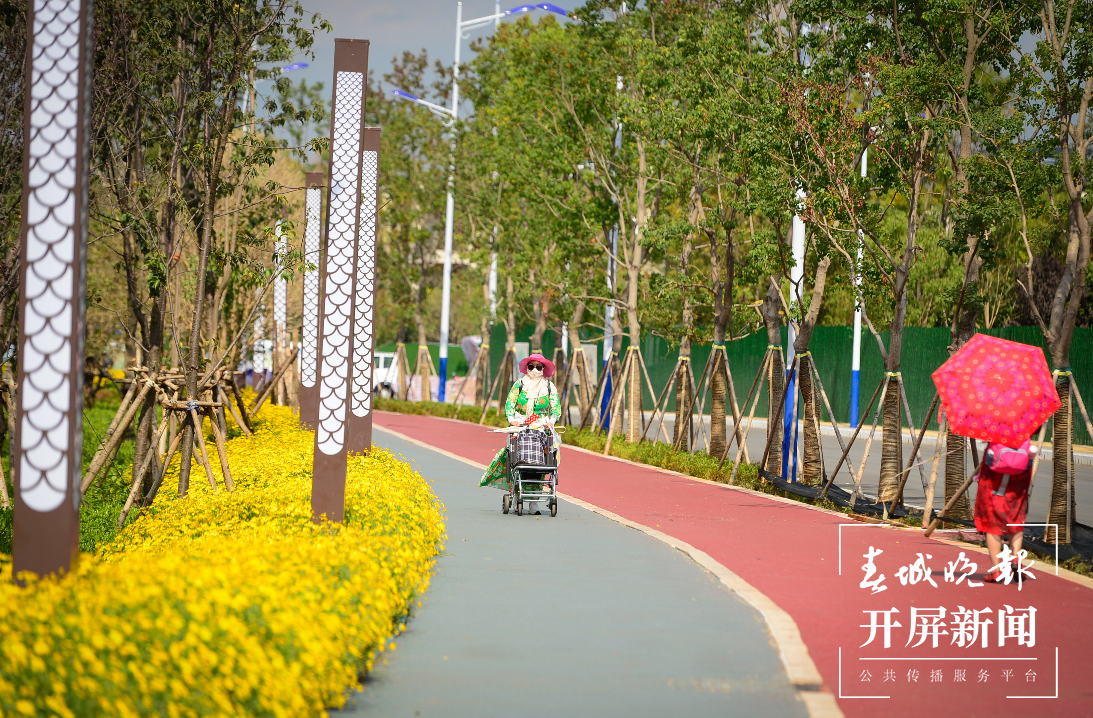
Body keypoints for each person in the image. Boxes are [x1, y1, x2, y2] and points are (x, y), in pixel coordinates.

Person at [479, 353, 561, 490]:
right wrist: (512, 420)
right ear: (527, 367)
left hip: (540, 424)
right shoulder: (519, 384)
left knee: (547, 449)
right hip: (520, 423)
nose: (535, 369)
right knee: (514, 448)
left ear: (543, 369)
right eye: (531, 366)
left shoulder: (549, 387)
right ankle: (517, 484)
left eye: (538, 367)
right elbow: (510, 403)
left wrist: (551, 421)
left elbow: (556, 407)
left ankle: (535, 492)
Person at [974, 437, 1037, 583]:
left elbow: (987, 468)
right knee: (1016, 522)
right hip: (1017, 486)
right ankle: (1016, 558)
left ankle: (996, 571)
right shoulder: (1025, 427)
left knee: (992, 526)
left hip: (994, 484)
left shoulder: (994, 429)